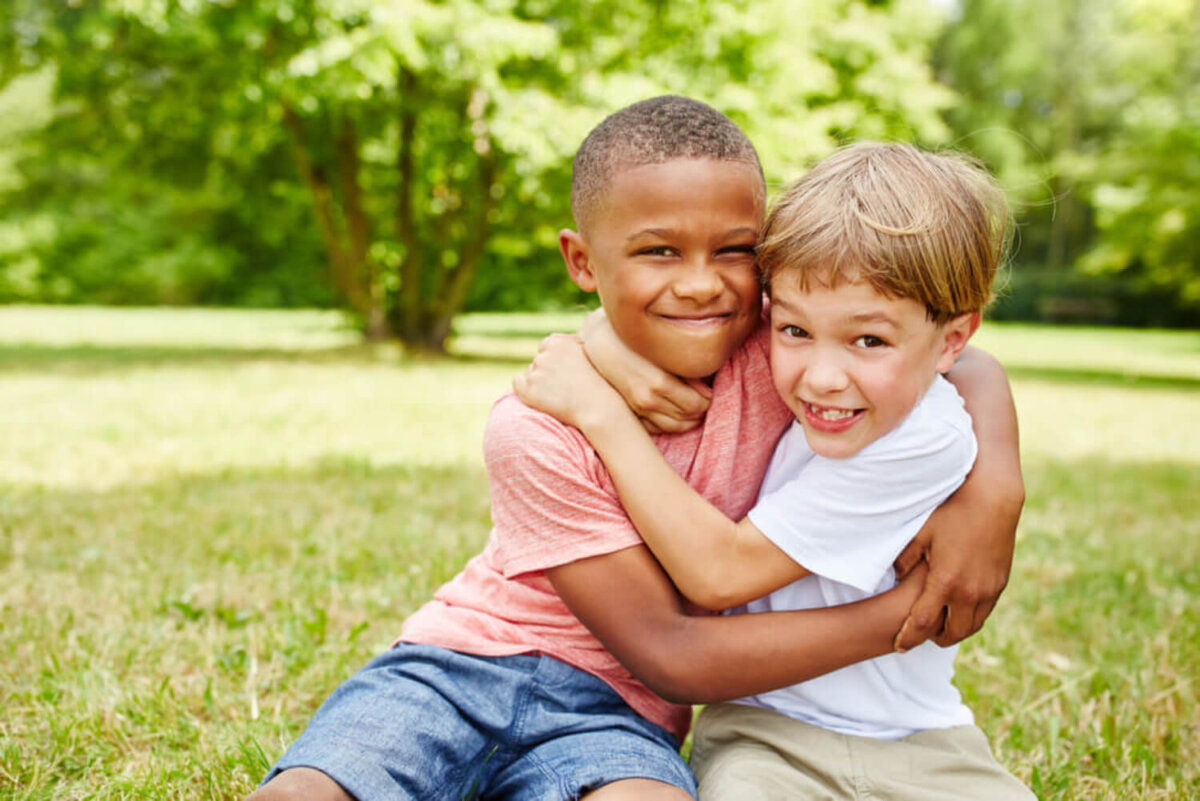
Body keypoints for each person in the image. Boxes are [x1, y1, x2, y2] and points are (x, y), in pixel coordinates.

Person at [249, 99, 1023, 801]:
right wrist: (902, 613)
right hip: (455, 671)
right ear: (583, 261)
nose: (699, 285)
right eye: (659, 252)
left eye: (734, 251)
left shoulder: (783, 354)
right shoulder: (539, 425)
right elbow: (675, 648)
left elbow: (951, 356)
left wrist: (995, 488)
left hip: (618, 718)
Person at [514, 142, 1032, 799]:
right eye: (792, 330)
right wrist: (597, 339)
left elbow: (720, 572)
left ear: (951, 340)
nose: (820, 376)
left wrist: (602, 414)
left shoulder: (922, 437)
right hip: (763, 734)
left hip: (925, 742)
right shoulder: (801, 353)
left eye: (867, 340)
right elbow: (680, 311)